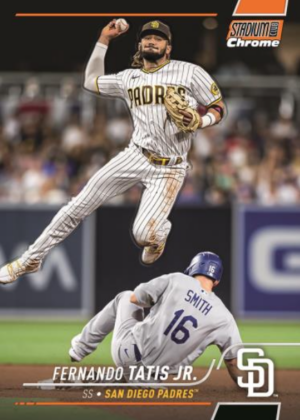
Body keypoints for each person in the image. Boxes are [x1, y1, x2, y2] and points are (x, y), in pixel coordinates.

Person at [0, 20, 225, 285]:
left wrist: (201, 121)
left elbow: (218, 106)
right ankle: (30, 260)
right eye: (147, 38)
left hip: (170, 167)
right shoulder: (129, 77)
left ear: (168, 47)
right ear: (140, 45)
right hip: (136, 154)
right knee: (78, 205)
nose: (152, 41)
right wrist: (103, 40)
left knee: (143, 234)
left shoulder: (189, 72)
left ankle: (158, 234)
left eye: (158, 38)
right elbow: (90, 81)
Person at [68, 252, 243, 384]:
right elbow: (233, 365)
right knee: (143, 373)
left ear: (192, 269)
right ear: (217, 281)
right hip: (154, 377)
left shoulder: (178, 279)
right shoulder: (225, 318)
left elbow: (135, 298)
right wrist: (249, 386)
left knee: (124, 296)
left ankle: (79, 349)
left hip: (127, 354)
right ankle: (138, 381)